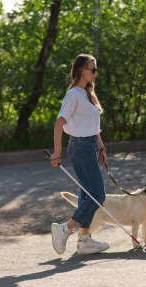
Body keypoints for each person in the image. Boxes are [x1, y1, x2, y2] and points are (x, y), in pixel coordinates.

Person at [50, 54, 109, 255]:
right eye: (92, 69)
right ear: (82, 70)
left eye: (95, 69)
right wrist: (57, 152)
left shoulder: (88, 94)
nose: (95, 73)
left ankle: (84, 239)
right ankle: (65, 229)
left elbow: (94, 126)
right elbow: (59, 123)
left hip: (89, 145)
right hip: (79, 146)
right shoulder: (74, 94)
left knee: (86, 192)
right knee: (98, 194)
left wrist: (100, 147)